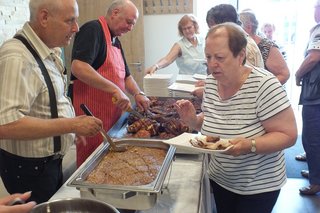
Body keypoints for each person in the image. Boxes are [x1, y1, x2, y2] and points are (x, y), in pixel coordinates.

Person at [175, 22, 297, 213]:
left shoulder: (264, 85)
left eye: (220, 57)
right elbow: (212, 121)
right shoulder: (212, 83)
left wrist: (250, 145)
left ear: (240, 55)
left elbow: (288, 135)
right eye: (208, 57)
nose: (212, 64)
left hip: (258, 186)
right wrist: (192, 120)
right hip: (221, 178)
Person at [0, 0, 102, 204]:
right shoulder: (17, 57)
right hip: (29, 170)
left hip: (48, 164)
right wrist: (71, 124)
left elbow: (46, 103)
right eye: (70, 20)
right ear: (44, 17)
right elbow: (6, 125)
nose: (77, 28)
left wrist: (66, 132)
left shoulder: (48, 50)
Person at [71, 0, 150, 167]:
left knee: (110, 165)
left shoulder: (115, 40)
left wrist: (138, 93)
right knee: (92, 166)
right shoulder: (93, 30)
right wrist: (114, 89)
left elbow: (126, 76)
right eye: (129, 22)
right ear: (115, 13)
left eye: (133, 25)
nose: (130, 28)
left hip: (111, 119)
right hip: (92, 116)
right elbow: (78, 67)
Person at [192, 4, 264, 99]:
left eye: (220, 57)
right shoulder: (240, 40)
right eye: (209, 57)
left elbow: (242, 85)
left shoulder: (243, 45)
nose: (211, 32)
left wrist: (207, 91)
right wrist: (211, 84)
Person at [295, 0, 320, 195]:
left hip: (316, 95)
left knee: (312, 138)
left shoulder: (319, 31)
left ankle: (316, 182)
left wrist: (298, 74)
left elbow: (313, 57)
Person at [239, 10, 290, 85]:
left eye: (238, 26)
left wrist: (262, 90)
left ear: (249, 27)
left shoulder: (266, 46)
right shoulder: (241, 45)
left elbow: (284, 74)